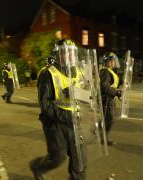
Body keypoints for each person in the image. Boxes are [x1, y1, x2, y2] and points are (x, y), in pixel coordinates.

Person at [29, 39, 86, 180]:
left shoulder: (79, 72)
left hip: (75, 121)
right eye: (65, 53)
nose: (69, 56)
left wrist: (79, 95)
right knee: (57, 158)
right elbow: (45, 105)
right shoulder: (48, 74)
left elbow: (87, 94)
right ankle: (37, 166)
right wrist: (67, 116)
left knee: (80, 159)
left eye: (72, 53)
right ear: (58, 55)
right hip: (55, 123)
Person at [99, 52, 122, 145]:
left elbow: (111, 85)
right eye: (110, 61)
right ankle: (104, 138)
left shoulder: (109, 71)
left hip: (109, 98)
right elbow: (104, 87)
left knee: (106, 118)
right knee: (110, 119)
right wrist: (116, 92)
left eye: (113, 61)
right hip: (106, 99)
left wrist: (118, 91)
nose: (113, 63)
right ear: (106, 62)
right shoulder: (105, 72)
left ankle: (96, 130)